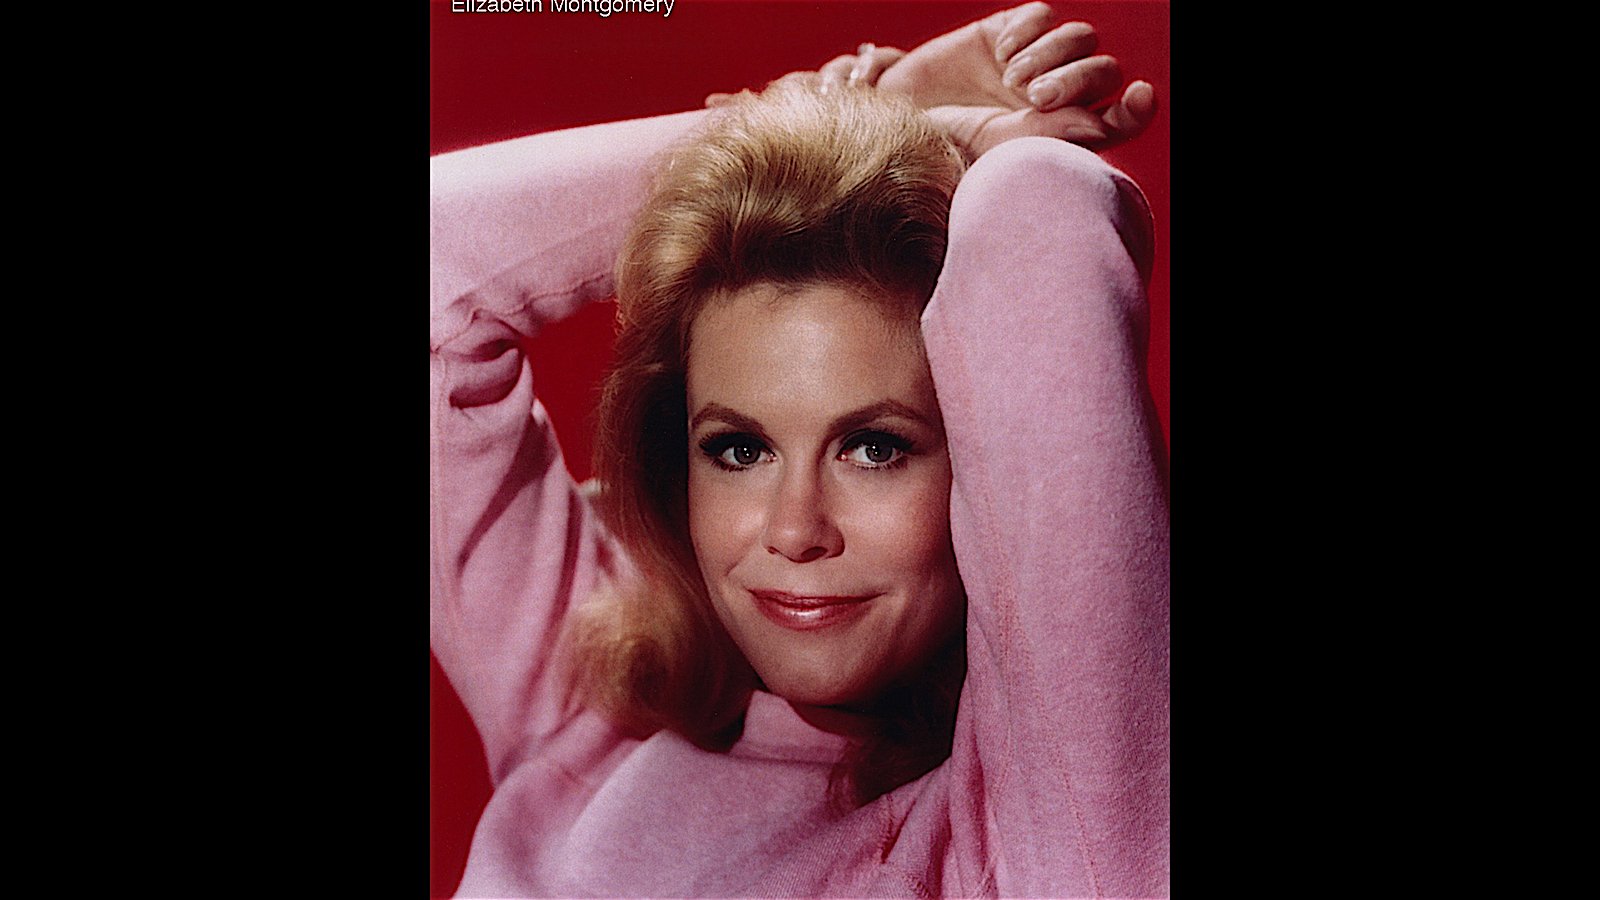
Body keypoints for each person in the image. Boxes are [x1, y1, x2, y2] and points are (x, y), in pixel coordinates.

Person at [430, 4, 1168, 896]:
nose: (794, 530)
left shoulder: (1039, 834)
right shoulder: (592, 712)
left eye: (874, 448)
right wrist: (852, 111)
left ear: (987, 461)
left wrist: (908, 144)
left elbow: (1039, 210)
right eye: (740, 449)